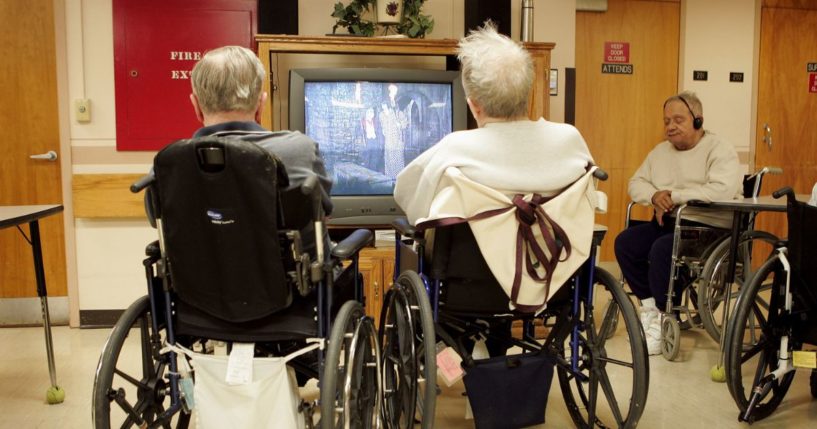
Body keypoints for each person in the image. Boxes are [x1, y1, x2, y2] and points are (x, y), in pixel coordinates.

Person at [393, 22, 595, 356]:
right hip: (553, 279)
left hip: (465, 291)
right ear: (528, 93)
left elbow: (410, 200)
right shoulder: (570, 141)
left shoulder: (455, 149)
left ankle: (467, 351)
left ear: (474, 104)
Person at [614, 91, 742, 356]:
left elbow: (720, 190)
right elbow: (635, 183)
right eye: (666, 121)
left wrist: (673, 196)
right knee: (626, 243)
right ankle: (650, 307)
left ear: (697, 121)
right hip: (671, 223)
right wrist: (654, 196)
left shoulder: (720, 149)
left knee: (661, 250)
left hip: (707, 228)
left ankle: (663, 316)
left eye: (678, 120)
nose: (670, 127)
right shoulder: (660, 152)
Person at [188, 45, 332, 257]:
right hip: (293, 288)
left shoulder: (169, 165)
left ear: (196, 106)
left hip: (199, 289)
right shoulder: (300, 150)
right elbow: (324, 214)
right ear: (261, 105)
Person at [380, 83, 408, 177]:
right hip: (388, 142)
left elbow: (405, 124)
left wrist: (399, 124)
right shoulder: (382, 115)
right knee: (389, 160)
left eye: (385, 107)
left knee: (398, 161)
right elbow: (382, 125)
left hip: (397, 141)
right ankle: (389, 178)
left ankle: (399, 178)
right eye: (382, 107)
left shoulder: (397, 113)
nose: (383, 109)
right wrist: (383, 129)